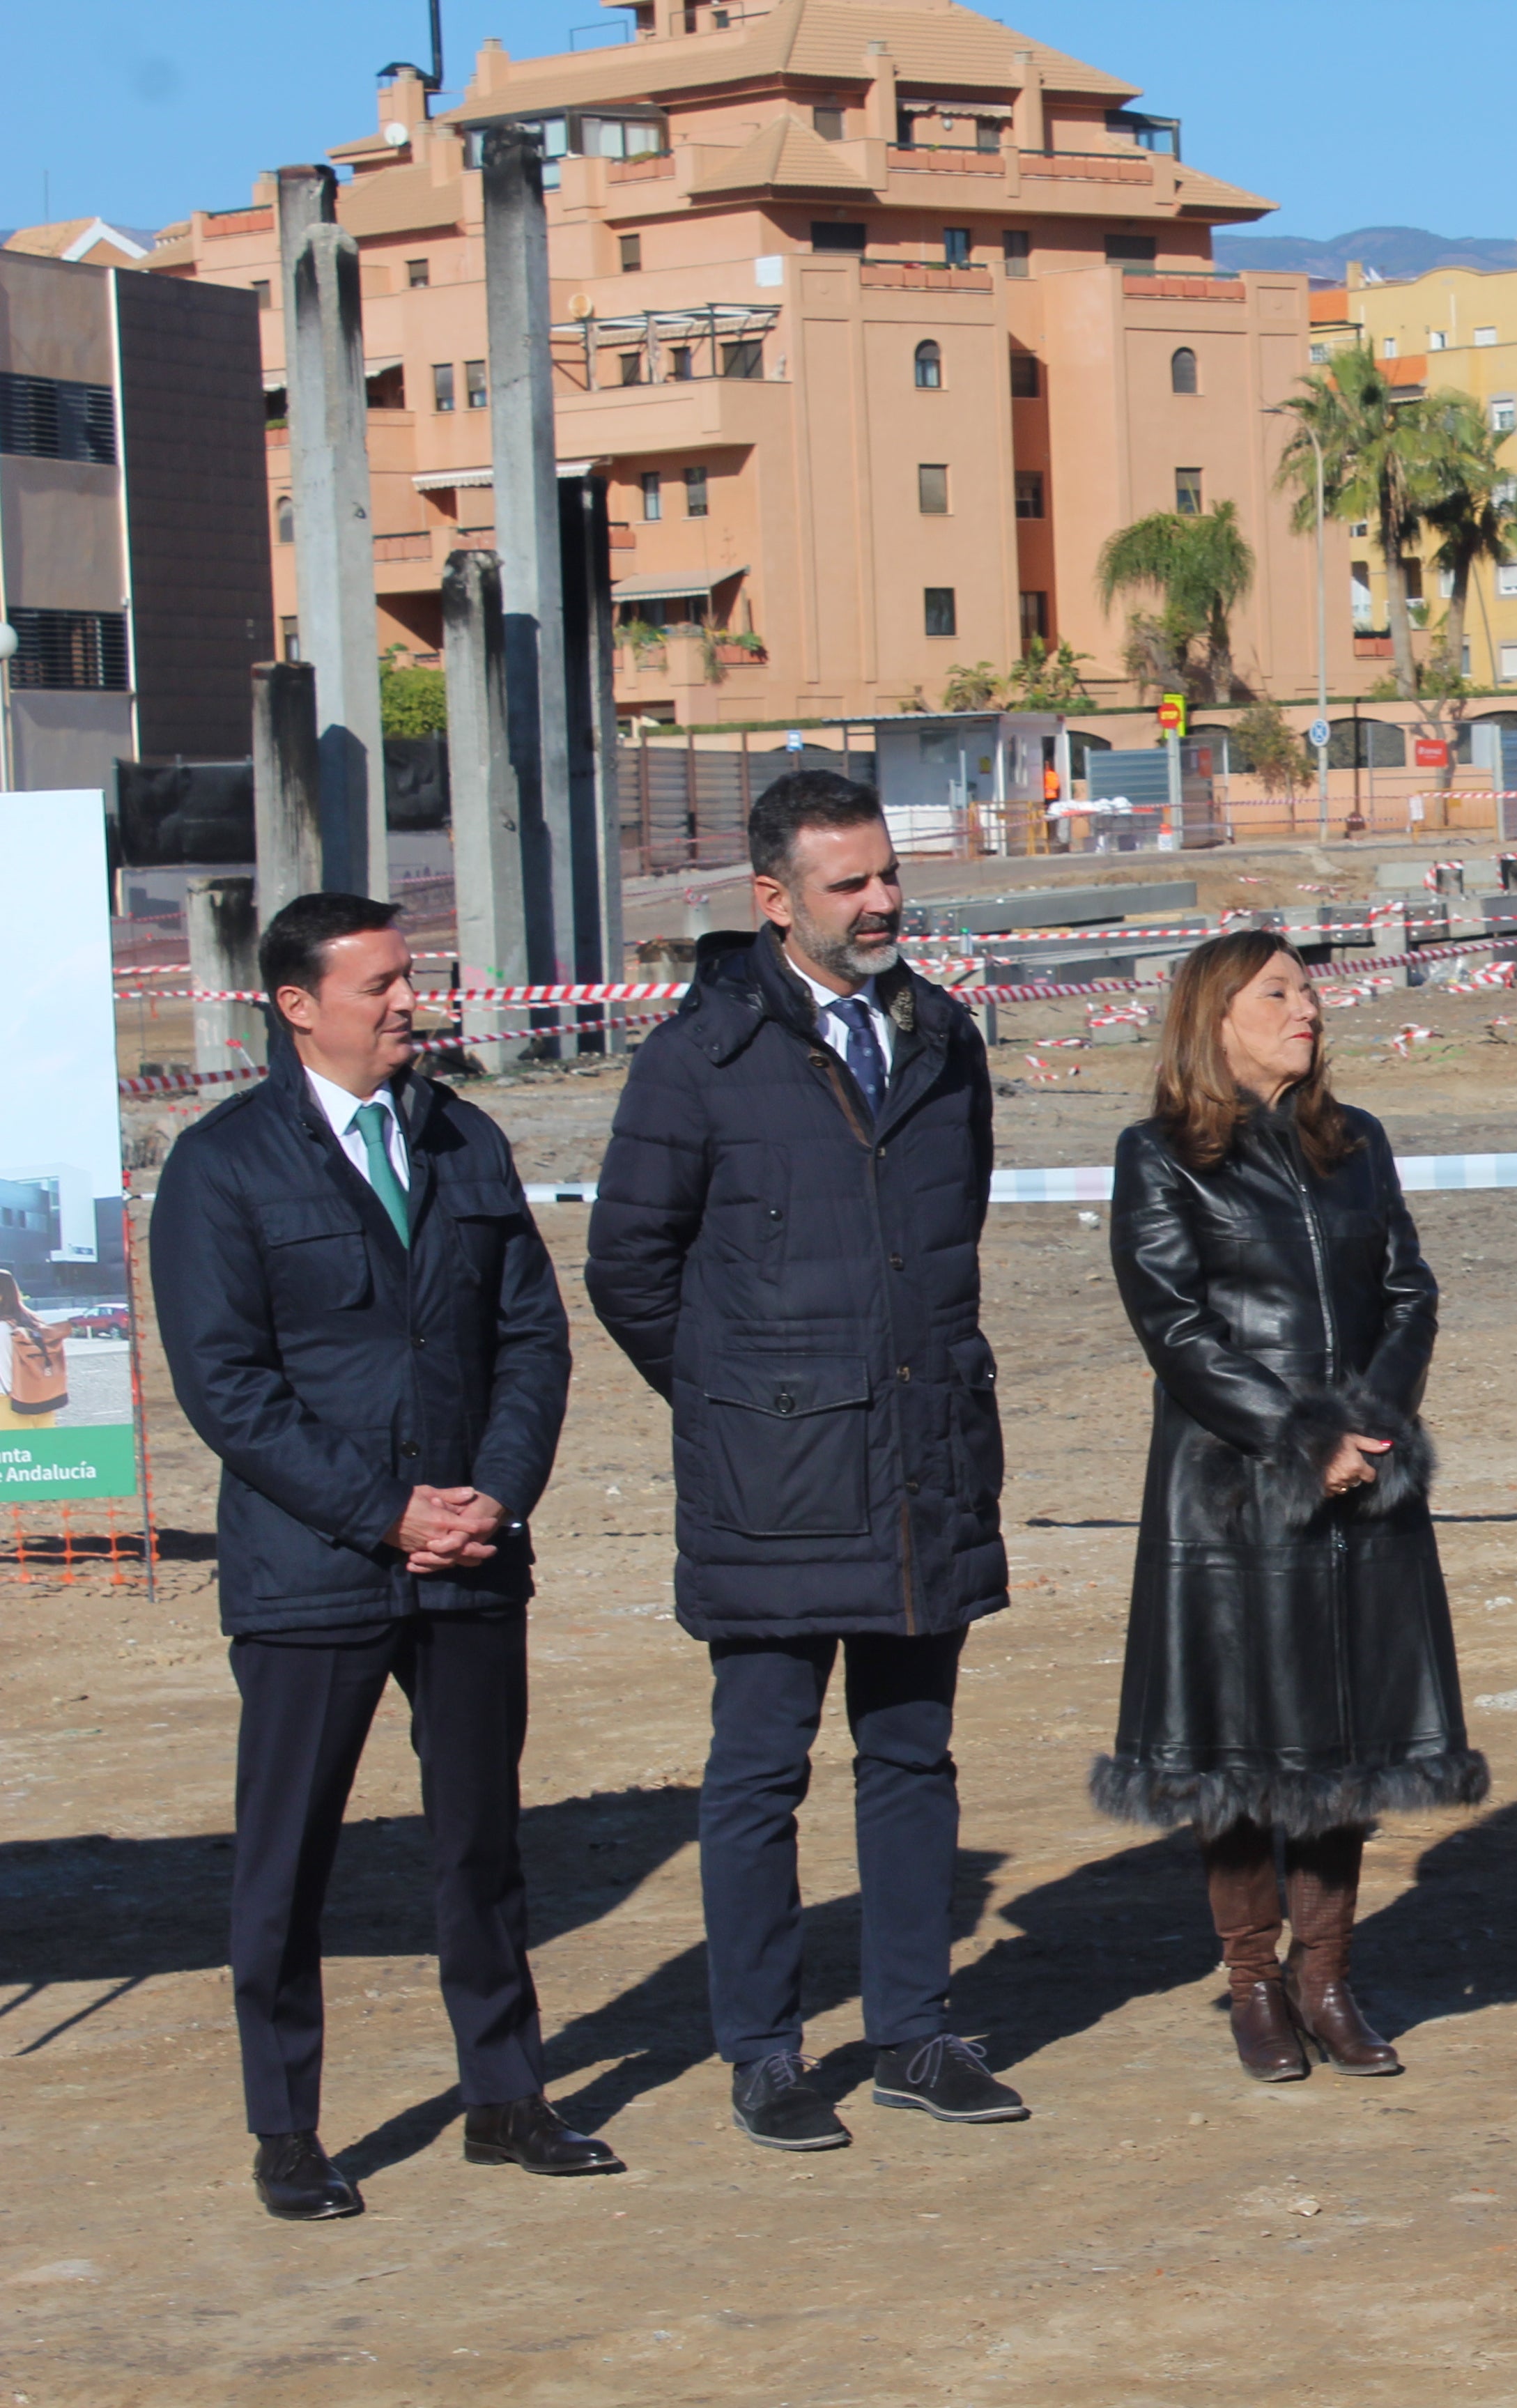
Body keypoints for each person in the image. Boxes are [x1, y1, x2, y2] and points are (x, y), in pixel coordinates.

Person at [147, 891, 608, 2222]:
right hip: (313, 1572)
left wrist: (495, 1495)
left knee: (481, 1842)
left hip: (469, 1558)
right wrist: (384, 1512)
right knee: (287, 1859)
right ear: (297, 1005)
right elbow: (227, 1389)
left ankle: (505, 2096)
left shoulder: (464, 1140)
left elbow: (531, 1339)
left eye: (413, 977)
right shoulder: (224, 1164)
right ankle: (286, 2127)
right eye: (382, 985)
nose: (413, 1000)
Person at [586, 771, 1026, 2151]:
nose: (884, 900)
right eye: (850, 883)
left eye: (888, 873)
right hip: (770, 1487)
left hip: (923, 1467)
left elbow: (948, 1236)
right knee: (758, 1770)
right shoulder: (699, 1059)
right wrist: (741, 1402)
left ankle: (911, 2033)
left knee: (912, 1757)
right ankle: (765, 2054)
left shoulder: (944, 1039)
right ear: (773, 900)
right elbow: (626, 1268)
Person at [1089, 932, 1483, 2081]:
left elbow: (1408, 1290)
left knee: (1339, 1745)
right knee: (1241, 1753)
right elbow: (1173, 1324)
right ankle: (1252, 1982)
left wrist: (1367, 1430)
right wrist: (1300, 1441)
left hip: (1364, 1484)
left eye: (1308, 988)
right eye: (1277, 992)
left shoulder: (1352, 1143)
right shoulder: (1159, 1156)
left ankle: (1326, 1976)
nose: (1306, 1006)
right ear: (1214, 1018)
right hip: (1232, 1499)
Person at [2, 1268, 63, 1427]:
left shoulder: (3, 1329)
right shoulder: (33, 1321)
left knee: (17, 1451)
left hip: (8, 1405)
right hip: (42, 1401)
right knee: (45, 1450)